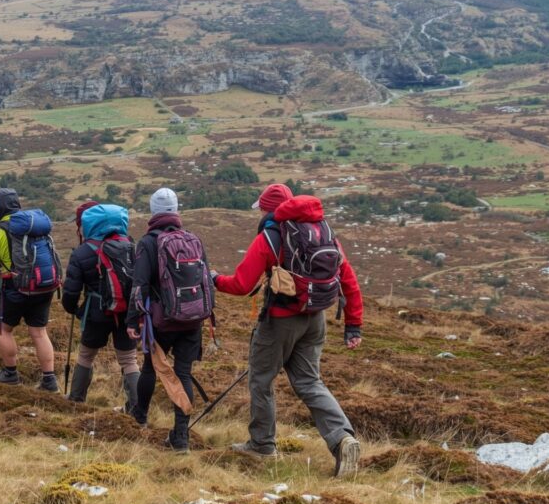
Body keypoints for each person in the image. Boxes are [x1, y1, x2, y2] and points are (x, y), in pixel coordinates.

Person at [212, 183, 364, 477]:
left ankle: (262, 445)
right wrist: (353, 325)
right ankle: (343, 439)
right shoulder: (324, 232)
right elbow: (348, 280)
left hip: (280, 321)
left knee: (261, 380)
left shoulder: (271, 237)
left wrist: (215, 279)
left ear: (268, 209)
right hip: (315, 319)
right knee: (310, 382)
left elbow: (242, 285)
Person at [126, 187, 208, 453]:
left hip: (161, 321)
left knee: (150, 369)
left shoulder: (148, 243)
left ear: (153, 211)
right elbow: (205, 280)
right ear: (176, 210)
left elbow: (139, 284)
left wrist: (133, 320)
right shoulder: (193, 239)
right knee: (183, 373)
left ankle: (139, 417)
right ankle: (181, 437)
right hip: (193, 319)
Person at [0, 188, 58, 391]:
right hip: (42, 286)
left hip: (13, 288)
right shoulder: (35, 228)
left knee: (3, 329)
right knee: (39, 332)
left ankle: (10, 373)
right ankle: (49, 380)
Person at [61, 201, 139, 409]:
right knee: (129, 360)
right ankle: (137, 408)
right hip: (127, 313)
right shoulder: (131, 246)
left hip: (96, 314)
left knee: (86, 355)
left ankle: (76, 399)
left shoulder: (82, 252)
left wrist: (74, 310)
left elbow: (71, 291)